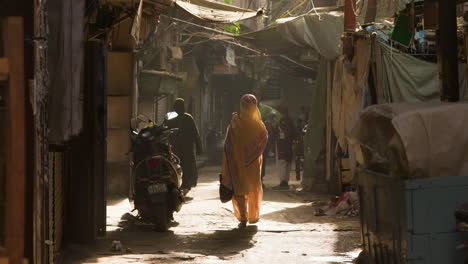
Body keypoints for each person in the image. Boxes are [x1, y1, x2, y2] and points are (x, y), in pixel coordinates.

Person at [221, 94, 268, 228]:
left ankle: (243, 217)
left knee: (239, 189)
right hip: (252, 164)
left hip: (237, 163)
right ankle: (253, 215)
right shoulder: (258, 124)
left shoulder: (236, 121)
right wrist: (253, 153)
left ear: (241, 106)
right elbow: (264, 139)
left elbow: (228, 144)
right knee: (253, 188)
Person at [166, 98, 202, 194]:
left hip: (183, 149)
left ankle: (185, 186)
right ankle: (182, 186)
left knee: (186, 167)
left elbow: (195, 133)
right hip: (178, 149)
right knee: (181, 167)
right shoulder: (181, 118)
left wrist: (199, 147)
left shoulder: (187, 118)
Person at [273, 105, 296, 190]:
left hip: (281, 144)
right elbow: (294, 132)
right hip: (288, 144)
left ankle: (283, 182)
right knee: (287, 162)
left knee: (282, 162)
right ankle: (285, 181)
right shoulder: (290, 120)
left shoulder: (279, 121)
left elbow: (275, 132)